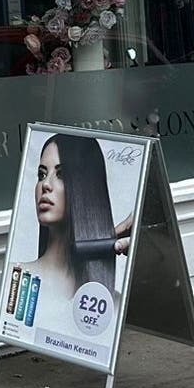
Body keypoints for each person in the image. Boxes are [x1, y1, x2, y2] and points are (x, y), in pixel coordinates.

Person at [20, 134, 119, 320]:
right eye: (42, 174)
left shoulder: (113, 304)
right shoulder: (17, 280)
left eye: (61, 174)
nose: (45, 185)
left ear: (85, 186)